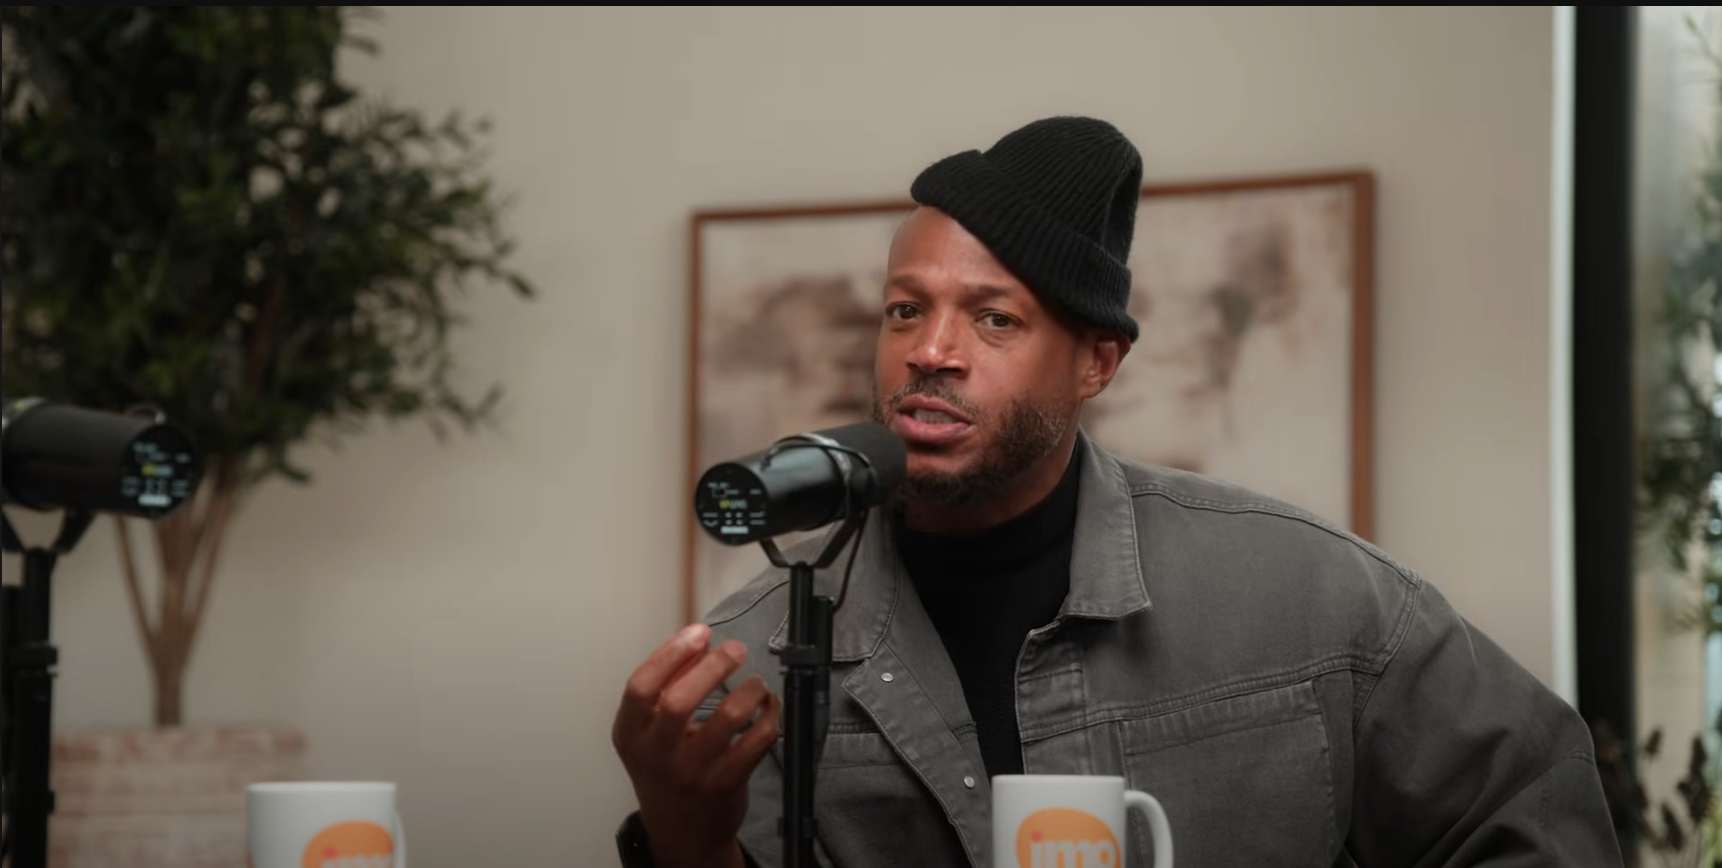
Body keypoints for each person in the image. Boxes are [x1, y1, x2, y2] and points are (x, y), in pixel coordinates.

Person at [611, 116, 1622, 868]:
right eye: (904, 309)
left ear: (1096, 364)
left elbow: (1536, 816)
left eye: (993, 319)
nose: (929, 350)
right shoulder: (767, 648)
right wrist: (688, 841)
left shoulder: (1310, 596)